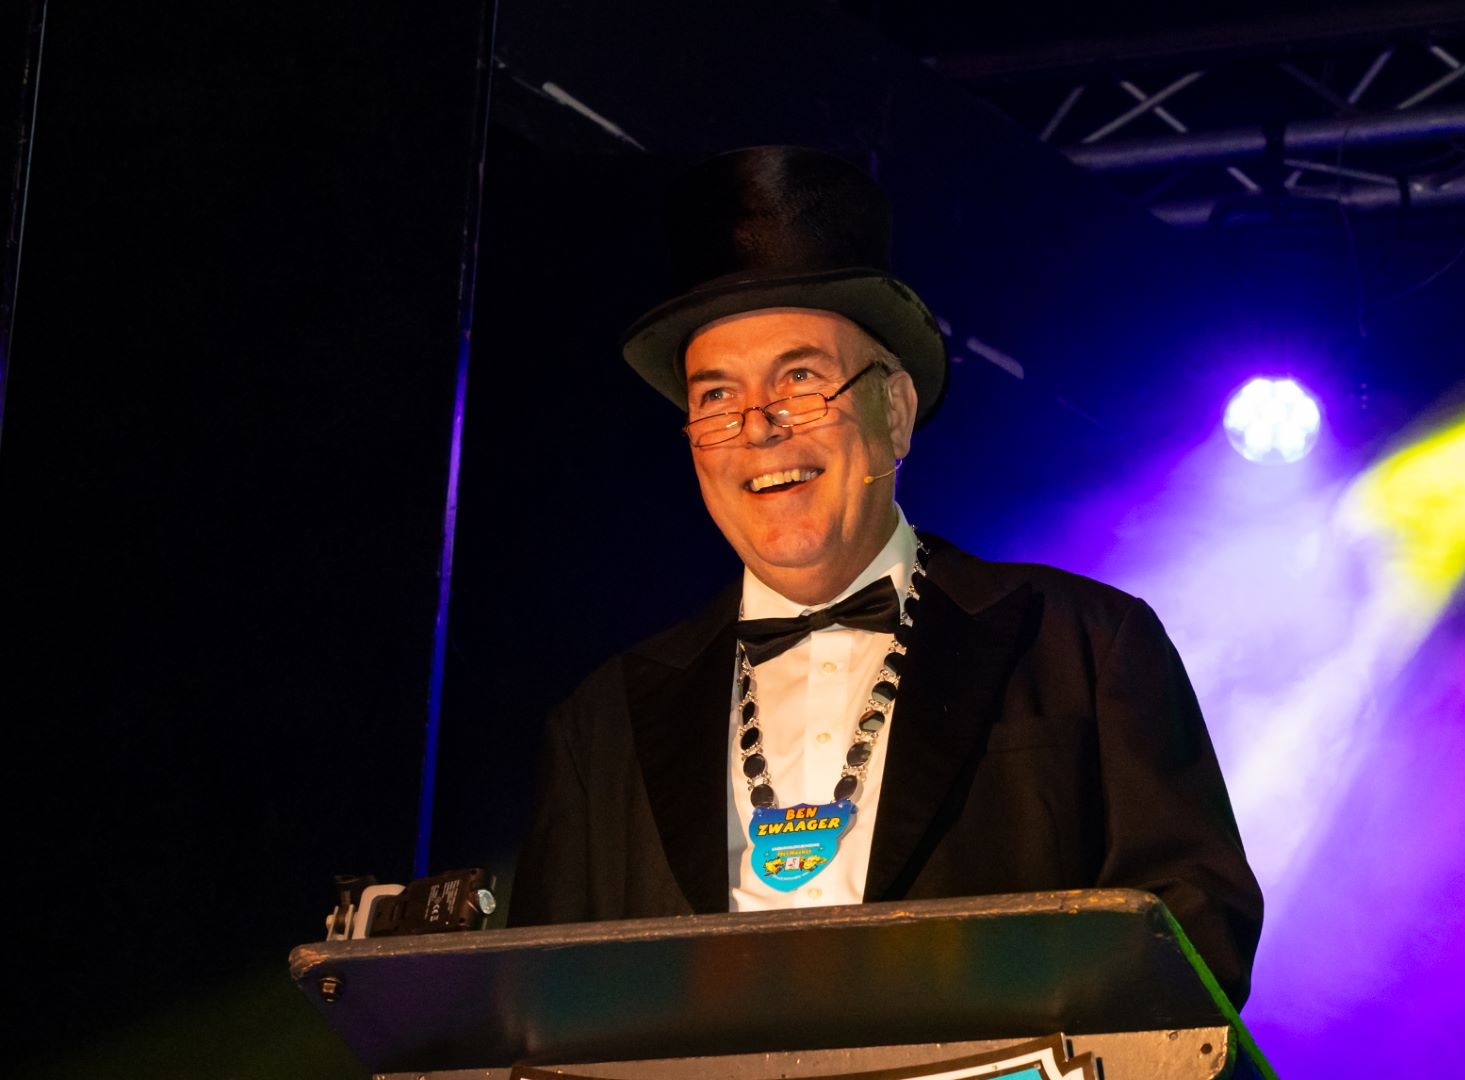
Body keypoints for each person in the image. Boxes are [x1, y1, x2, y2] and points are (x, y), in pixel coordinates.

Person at [508, 146, 1263, 1007]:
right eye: (717, 398)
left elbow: (1194, 941)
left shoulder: (1087, 647)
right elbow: (541, 1010)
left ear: (895, 411)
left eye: (801, 380)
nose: (759, 428)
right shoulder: (599, 725)